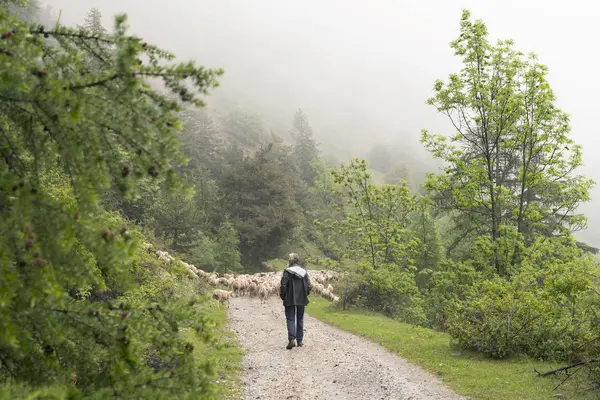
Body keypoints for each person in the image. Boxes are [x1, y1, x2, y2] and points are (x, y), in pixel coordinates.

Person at [279, 253, 312, 350]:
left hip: (289, 298)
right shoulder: (304, 272)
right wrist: (305, 294)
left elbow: (284, 285)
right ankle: (300, 340)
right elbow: (309, 286)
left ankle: (291, 339)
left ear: (290, 261)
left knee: (290, 318)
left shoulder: (287, 272)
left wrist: (283, 295)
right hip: (301, 298)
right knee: (300, 318)